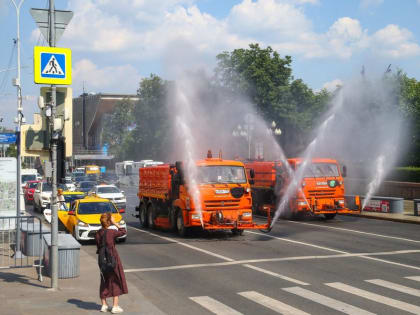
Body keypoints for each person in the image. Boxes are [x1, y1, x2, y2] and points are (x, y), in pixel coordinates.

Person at [95, 213, 128, 313]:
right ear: (109, 221)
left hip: (101, 260)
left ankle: (104, 305)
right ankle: (115, 306)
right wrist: (115, 223)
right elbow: (123, 231)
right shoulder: (112, 232)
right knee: (115, 280)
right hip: (112, 257)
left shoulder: (97, 233)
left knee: (104, 280)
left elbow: (98, 246)